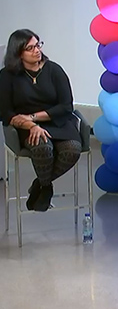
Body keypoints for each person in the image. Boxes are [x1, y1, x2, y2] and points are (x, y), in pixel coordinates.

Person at [0, 29, 82, 212]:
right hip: (26, 128)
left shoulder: (54, 70)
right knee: (43, 147)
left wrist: (33, 117)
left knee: (72, 150)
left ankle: (41, 184)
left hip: (58, 121)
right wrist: (31, 125)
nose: (36, 50)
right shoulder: (7, 76)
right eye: (30, 48)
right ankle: (46, 188)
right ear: (18, 52)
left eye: (38, 45)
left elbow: (66, 106)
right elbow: (5, 112)